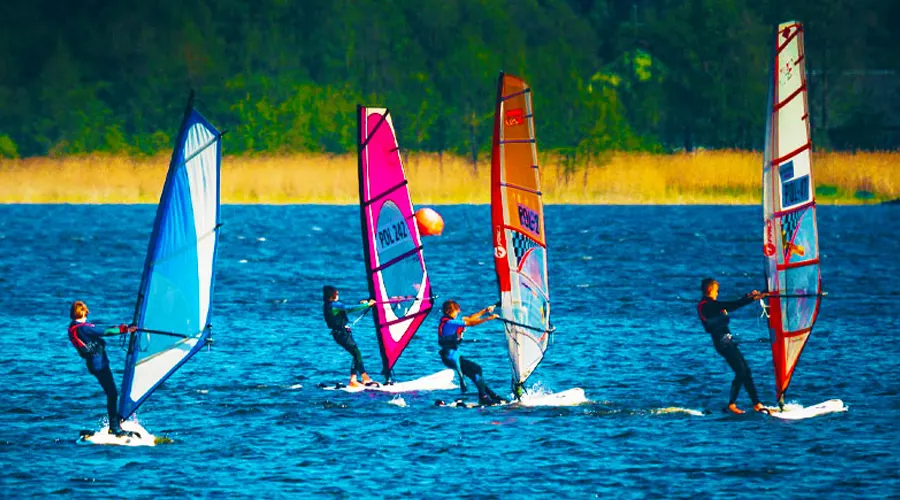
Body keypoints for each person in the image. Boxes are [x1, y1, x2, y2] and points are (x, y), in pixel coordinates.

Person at [696, 278, 768, 414]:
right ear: (710, 290)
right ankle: (731, 404)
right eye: (716, 291)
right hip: (723, 344)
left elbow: (730, 304)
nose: (717, 293)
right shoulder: (707, 305)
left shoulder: (710, 304)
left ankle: (757, 404)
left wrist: (749, 297)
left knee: (746, 371)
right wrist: (751, 298)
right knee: (741, 372)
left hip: (727, 342)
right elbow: (731, 305)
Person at [67, 300, 137, 436]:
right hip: (99, 365)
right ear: (84, 312)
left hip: (93, 364)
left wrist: (122, 327)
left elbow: (99, 330)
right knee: (112, 393)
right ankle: (114, 427)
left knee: (112, 393)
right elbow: (106, 332)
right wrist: (126, 330)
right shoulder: (84, 328)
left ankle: (116, 422)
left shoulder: (74, 327)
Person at [438, 300, 504, 406]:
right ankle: (484, 396)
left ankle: (489, 395)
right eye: (457, 310)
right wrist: (488, 318)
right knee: (477, 369)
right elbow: (471, 323)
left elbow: (469, 318)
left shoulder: (451, 321)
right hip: (450, 356)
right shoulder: (450, 323)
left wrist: (485, 310)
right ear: (451, 311)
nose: (459, 312)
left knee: (474, 373)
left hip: (453, 355)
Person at [322, 285, 378, 388]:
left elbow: (341, 313)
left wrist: (363, 303)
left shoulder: (328, 305)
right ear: (331, 295)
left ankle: (362, 378)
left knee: (356, 353)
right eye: (336, 293)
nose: (338, 294)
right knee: (356, 353)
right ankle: (355, 379)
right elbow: (349, 308)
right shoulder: (334, 305)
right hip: (341, 334)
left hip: (340, 333)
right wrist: (367, 304)